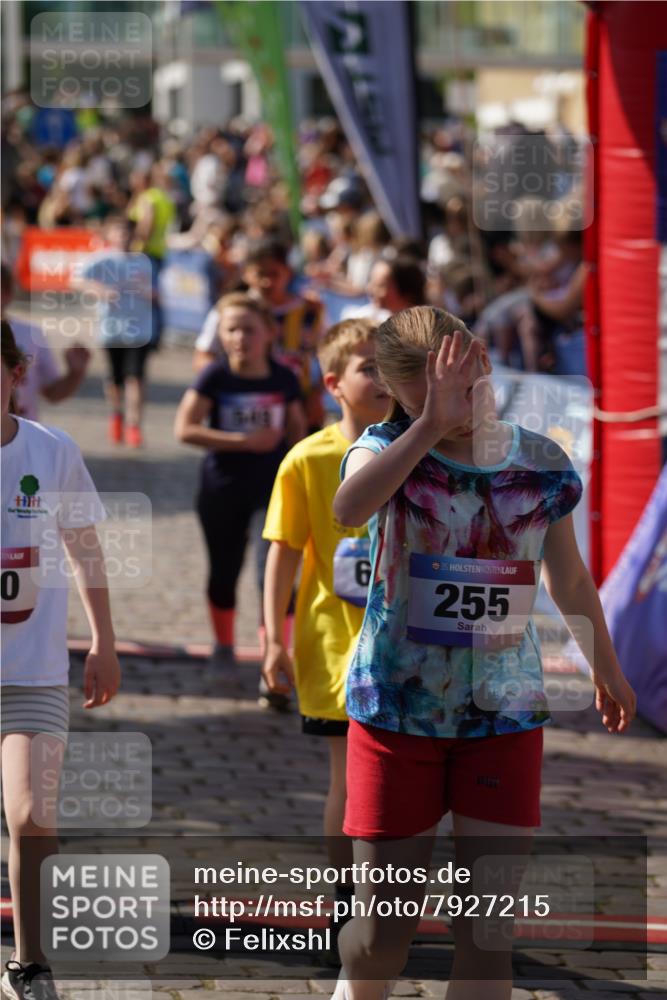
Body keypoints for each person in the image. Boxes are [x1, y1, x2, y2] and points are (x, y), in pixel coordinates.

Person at [331, 307, 636, 1000]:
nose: (456, 411)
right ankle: (350, 982)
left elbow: (568, 576)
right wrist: (428, 426)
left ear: (480, 362)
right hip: (396, 711)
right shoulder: (383, 447)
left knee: (486, 937)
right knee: (382, 943)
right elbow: (349, 509)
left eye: (465, 392)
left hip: (502, 715)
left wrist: (605, 666)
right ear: (396, 393)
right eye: (425, 400)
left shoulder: (538, 462)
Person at [1, 320, 121, 1000]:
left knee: (32, 816)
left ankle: (30, 964)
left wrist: (103, 640)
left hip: (32, 674)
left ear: (16, 375)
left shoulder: (52, 451)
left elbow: (84, 549)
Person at [261, 319, 389, 931]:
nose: (383, 379)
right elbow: (282, 552)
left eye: (391, 367)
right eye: (369, 368)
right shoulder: (307, 459)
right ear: (333, 382)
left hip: (405, 647)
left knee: (396, 778)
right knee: (349, 775)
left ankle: (385, 891)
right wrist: (270, 640)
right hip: (333, 645)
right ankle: (348, 898)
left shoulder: (419, 451)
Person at [174, 293, 307, 665]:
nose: (239, 337)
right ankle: (224, 645)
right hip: (223, 488)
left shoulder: (284, 378)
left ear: (269, 332)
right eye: (230, 329)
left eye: (248, 329)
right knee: (224, 570)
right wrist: (242, 442)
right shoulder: (215, 375)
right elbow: (184, 429)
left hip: (273, 491)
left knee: (272, 574)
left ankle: (275, 652)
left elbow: (297, 434)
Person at [193, 238, 326, 430]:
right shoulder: (228, 310)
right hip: (243, 409)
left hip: (298, 406)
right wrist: (223, 385)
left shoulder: (310, 311)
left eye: (275, 274)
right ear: (246, 273)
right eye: (260, 273)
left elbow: (329, 357)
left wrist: (316, 396)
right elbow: (203, 356)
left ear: (288, 273)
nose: (267, 281)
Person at [76, 217, 154, 447]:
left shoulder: (144, 261)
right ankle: (116, 415)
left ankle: (134, 425)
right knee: (114, 378)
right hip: (110, 328)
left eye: (128, 231)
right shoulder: (100, 259)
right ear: (109, 234)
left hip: (140, 330)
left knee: (136, 378)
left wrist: (146, 291)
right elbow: (76, 280)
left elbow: (161, 292)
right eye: (119, 231)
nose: (124, 236)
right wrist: (98, 289)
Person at [1, 264, 90, 422]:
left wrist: (75, 374)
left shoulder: (30, 333)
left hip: (23, 436)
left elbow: (53, 393)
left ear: (7, 293)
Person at [341, 255, 426, 324]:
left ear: (407, 293)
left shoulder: (430, 331)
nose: (370, 289)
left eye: (380, 285)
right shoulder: (367, 321)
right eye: (371, 281)